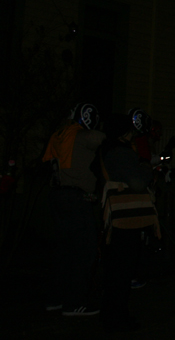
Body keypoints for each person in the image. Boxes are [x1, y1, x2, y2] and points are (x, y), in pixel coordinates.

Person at [99, 110, 160, 332]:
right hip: (125, 219)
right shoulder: (120, 152)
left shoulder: (105, 148)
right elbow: (137, 181)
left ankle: (112, 315)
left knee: (114, 269)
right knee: (122, 270)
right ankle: (117, 319)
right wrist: (145, 166)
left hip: (115, 216)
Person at [43, 103, 105, 316]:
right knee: (84, 251)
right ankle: (74, 302)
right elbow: (103, 139)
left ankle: (55, 299)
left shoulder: (59, 135)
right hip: (75, 198)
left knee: (63, 251)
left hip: (58, 195)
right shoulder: (83, 136)